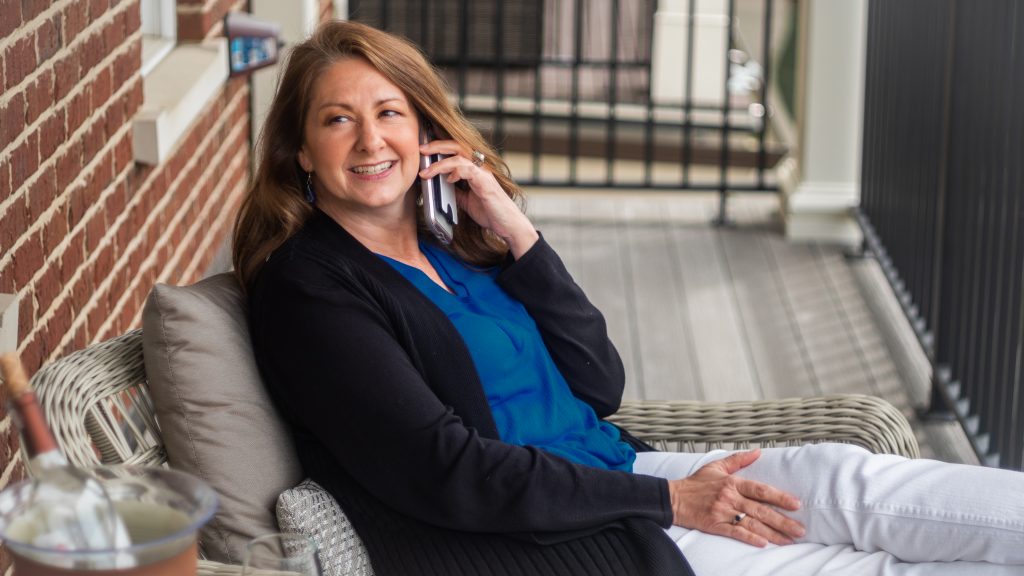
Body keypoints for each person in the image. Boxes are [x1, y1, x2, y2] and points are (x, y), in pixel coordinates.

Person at [232, 20, 1024, 576]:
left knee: (851, 480)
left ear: (424, 130)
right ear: (301, 149)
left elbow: (597, 384)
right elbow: (447, 471)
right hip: (581, 529)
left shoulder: (455, 243)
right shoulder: (311, 289)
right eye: (339, 121)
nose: (372, 142)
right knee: (879, 566)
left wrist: (520, 235)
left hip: (624, 471)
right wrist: (672, 502)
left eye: (389, 113)